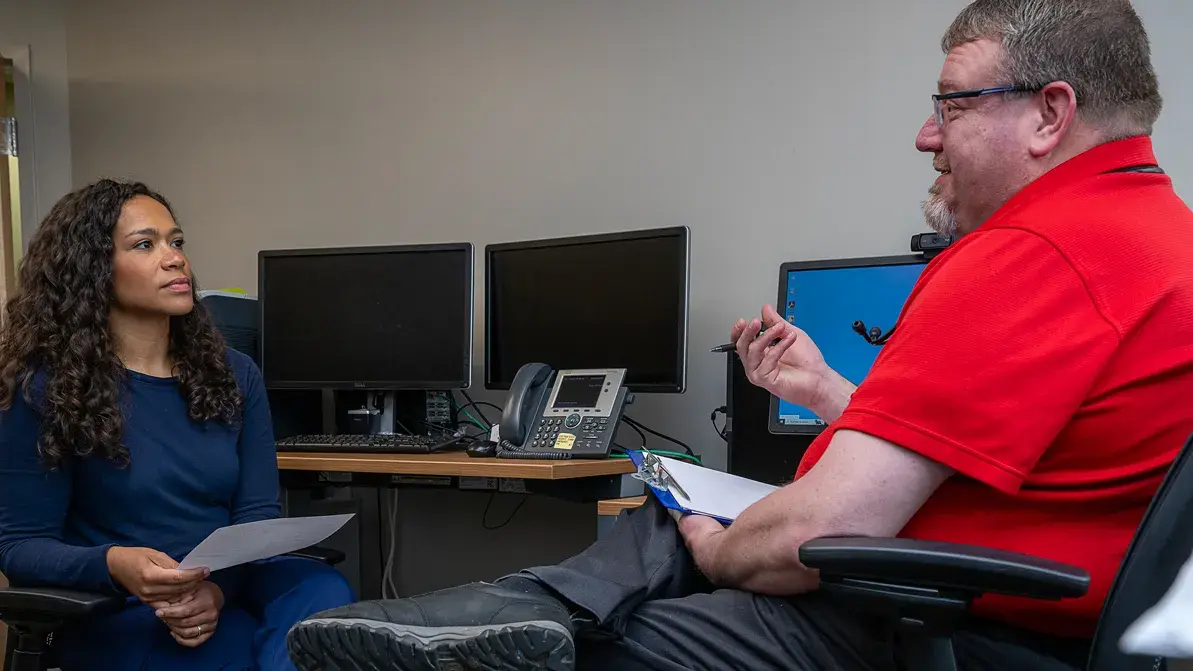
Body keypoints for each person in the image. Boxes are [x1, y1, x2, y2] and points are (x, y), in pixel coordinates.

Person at [286, 1, 1193, 669]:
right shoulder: (1149, 234)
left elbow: (821, 529)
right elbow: (1030, 452)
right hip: (1010, 605)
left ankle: (481, 623)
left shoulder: (1032, 250)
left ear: (1049, 113)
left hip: (937, 625)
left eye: (952, 105)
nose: (926, 134)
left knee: (609, 625)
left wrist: (725, 546)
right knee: (664, 514)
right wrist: (830, 394)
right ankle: (494, 612)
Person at [0, 179, 356, 670]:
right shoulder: (43, 387)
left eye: (177, 242)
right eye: (145, 245)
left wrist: (217, 591)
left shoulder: (234, 374)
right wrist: (113, 564)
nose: (175, 259)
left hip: (221, 590)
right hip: (121, 607)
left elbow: (255, 518)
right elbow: (20, 546)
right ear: (92, 269)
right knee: (243, 653)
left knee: (322, 589)